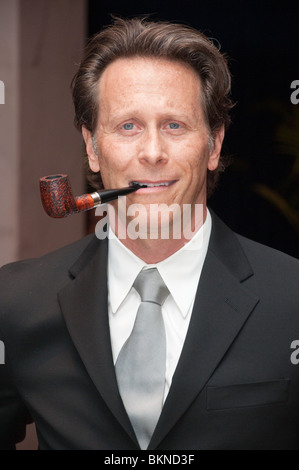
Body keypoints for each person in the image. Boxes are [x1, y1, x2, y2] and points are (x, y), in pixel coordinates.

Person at [0, 17, 299, 451]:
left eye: (175, 125)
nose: (153, 152)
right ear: (92, 147)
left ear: (214, 145)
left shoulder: (291, 299)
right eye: (128, 126)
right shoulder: (17, 300)